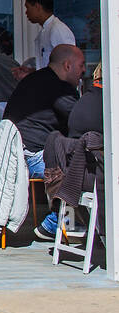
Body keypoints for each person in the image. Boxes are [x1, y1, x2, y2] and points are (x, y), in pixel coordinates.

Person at [4, 44, 85, 240]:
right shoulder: (59, 88)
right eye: (81, 65)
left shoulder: (35, 79)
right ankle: (57, 223)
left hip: (15, 155)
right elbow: (80, 121)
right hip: (32, 157)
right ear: (67, 65)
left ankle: (71, 224)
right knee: (81, 169)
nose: (84, 70)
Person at [36, 63, 105, 242]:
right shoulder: (105, 104)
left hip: (74, 176)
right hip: (93, 177)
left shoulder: (87, 99)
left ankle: (64, 222)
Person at [24, 0, 76, 74]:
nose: (26, 12)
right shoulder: (45, 31)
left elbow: (69, 64)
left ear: (37, 7)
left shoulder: (58, 30)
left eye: (28, 7)